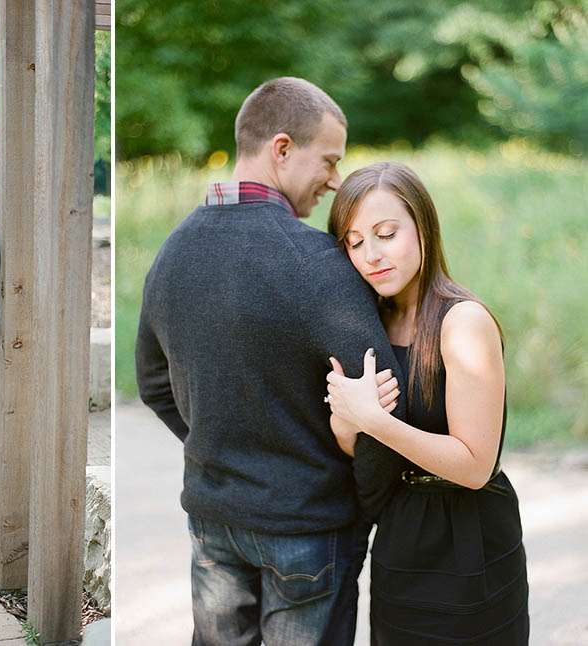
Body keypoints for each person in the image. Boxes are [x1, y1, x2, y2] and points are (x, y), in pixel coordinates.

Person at [135, 77, 407, 645]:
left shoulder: (173, 250)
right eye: (329, 161)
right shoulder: (318, 262)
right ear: (282, 149)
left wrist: (218, 448)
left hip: (215, 522)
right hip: (310, 525)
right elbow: (379, 401)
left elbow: (153, 383)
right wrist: (365, 502)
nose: (335, 181)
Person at [324, 162, 529, 644]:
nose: (371, 254)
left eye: (386, 233)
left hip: (469, 535)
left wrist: (372, 420)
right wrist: (346, 427)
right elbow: (363, 447)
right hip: (402, 533)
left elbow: (475, 465)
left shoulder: (463, 322)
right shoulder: (371, 321)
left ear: (423, 227)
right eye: (355, 242)